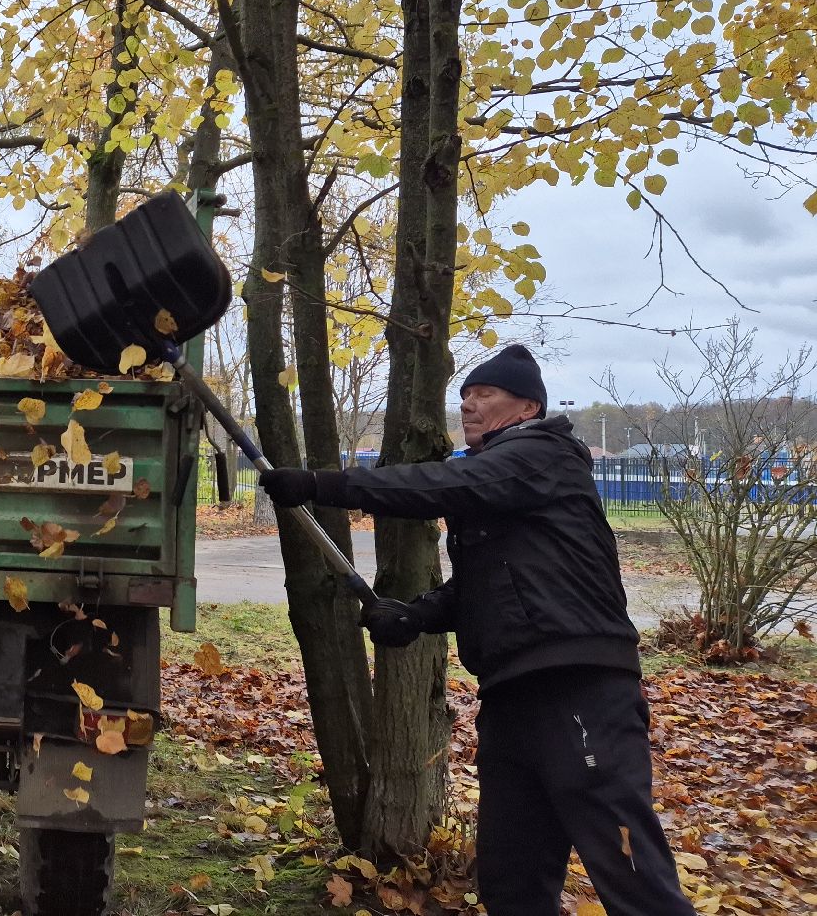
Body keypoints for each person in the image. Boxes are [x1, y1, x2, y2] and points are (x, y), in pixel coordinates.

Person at [257, 345, 694, 915]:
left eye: (485, 394)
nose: (468, 404)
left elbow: (443, 484)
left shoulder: (541, 455)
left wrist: (323, 485)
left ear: (527, 407)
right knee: (511, 882)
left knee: (632, 875)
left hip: (580, 688)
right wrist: (416, 615)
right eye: (465, 395)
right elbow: (483, 584)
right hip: (510, 696)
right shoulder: (498, 482)